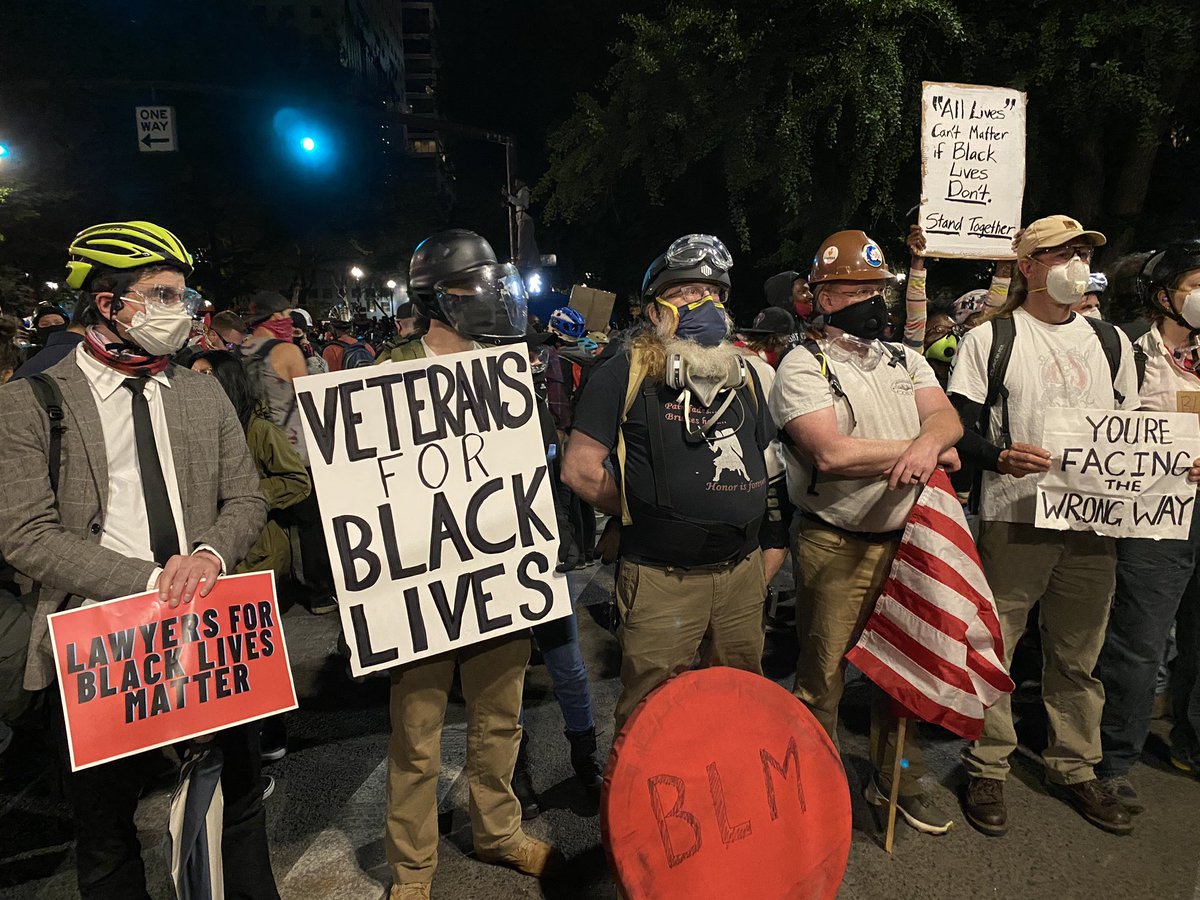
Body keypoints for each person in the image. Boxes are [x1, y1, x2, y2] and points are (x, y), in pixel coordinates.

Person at [0, 220, 277, 899]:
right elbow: (26, 535)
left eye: (182, 295)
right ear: (109, 304)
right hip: (100, 640)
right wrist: (152, 581)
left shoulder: (200, 391)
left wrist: (209, 554)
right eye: (160, 294)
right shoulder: (29, 402)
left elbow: (247, 494)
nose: (179, 311)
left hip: (208, 626)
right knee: (106, 837)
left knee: (239, 807)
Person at [949, 215, 1144, 836]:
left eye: (1083, 253)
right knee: (997, 644)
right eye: (1061, 253)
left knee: (1077, 651)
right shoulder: (992, 338)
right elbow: (961, 426)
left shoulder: (1112, 342)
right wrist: (999, 456)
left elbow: (1134, 431)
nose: (1075, 264)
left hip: (1093, 521)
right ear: (1028, 266)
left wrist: (1171, 469)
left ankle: (1076, 766)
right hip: (1015, 516)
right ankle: (987, 764)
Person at [380, 229, 559, 899]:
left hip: (496, 573)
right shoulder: (384, 369)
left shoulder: (506, 366)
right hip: (420, 582)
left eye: (492, 284)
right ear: (435, 297)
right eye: (473, 287)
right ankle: (412, 869)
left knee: (499, 719)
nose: (490, 298)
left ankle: (497, 832)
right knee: (417, 733)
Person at [769, 229, 962, 835]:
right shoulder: (803, 365)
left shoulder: (906, 358)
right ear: (823, 297)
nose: (870, 300)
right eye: (853, 289)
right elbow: (830, 453)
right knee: (822, 675)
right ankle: (813, 787)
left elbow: (947, 418)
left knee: (900, 675)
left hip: (908, 543)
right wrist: (928, 449)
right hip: (836, 544)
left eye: (877, 288)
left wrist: (932, 441)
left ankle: (898, 776)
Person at [563, 233, 789, 732]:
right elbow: (579, 467)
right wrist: (638, 512)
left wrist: (772, 547)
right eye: (687, 291)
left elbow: (768, 467)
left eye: (713, 292)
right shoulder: (622, 371)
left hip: (741, 577)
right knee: (653, 716)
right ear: (655, 309)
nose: (702, 303)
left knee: (738, 702)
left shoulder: (747, 375)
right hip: (663, 580)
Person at [1096, 239, 1200, 811]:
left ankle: (1192, 742)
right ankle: (1115, 760)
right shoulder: (1126, 349)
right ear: (1162, 295)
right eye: (1195, 284)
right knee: (1139, 639)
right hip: (1152, 513)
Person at [242, 291, 336, 615]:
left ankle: (279, 589)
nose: (287, 322)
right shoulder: (288, 351)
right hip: (295, 449)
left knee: (272, 523)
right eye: (282, 316)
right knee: (312, 523)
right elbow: (310, 396)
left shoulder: (240, 350)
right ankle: (320, 593)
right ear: (270, 319)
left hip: (256, 449)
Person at [13, 296, 97, 379]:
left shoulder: (83, 349)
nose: (52, 326)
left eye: (58, 322)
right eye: (45, 324)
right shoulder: (26, 355)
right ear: (36, 329)